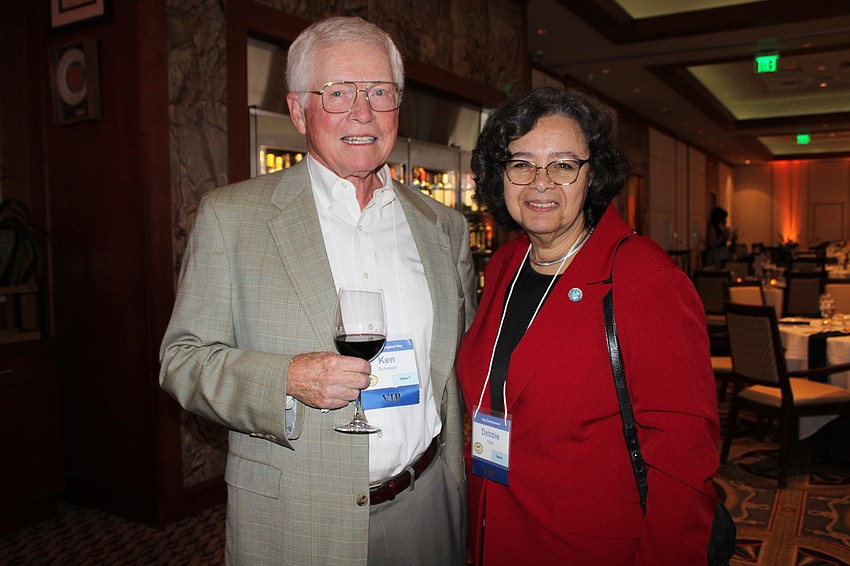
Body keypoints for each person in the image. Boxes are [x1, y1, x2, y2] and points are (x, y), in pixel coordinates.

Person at [159, 16, 475, 565]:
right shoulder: (233, 218)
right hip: (296, 519)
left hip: (427, 508)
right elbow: (181, 362)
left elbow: (459, 367)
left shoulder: (442, 227)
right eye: (337, 93)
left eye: (380, 92)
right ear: (298, 110)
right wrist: (285, 379)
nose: (363, 112)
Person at [457, 86, 720, 565]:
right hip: (494, 533)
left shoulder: (644, 278)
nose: (541, 182)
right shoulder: (504, 265)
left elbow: (684, 460)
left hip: (584, 547)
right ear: (501, 176)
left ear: (592, 174)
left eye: (562, 164)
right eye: (522, 164)